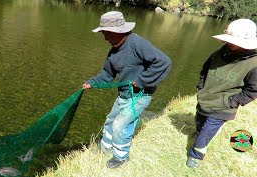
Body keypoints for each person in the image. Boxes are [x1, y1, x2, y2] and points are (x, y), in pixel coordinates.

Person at [82, 11, 171, 168]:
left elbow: (163, 62)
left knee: (120, 125)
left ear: (119, 31)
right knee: (111, 120)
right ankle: (105, 148)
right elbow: (107, 75)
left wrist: (141, 80)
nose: (105, 38)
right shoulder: (113, 52)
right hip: (124, 94)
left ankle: (121, 157)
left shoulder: (138, 43)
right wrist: (92, 83)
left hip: (140, 96)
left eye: (107, 33)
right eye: (104, 33)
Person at [187, 19, 257, 168]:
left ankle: (196, 155)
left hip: (224, 106)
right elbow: (205, 69)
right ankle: (199, 133)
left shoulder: (254, 64)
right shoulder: (221, 52)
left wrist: (231, 102)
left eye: (234, 41)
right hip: (206, 98)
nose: (229, 43)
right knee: (199, 123)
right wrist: (201, 87)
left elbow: (253, 90)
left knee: (206, 132)